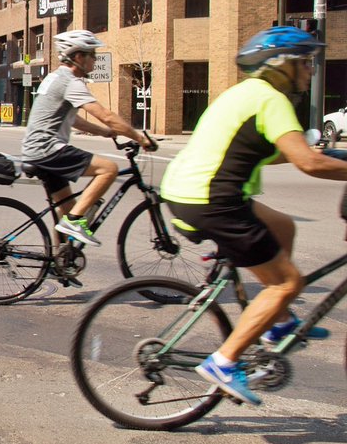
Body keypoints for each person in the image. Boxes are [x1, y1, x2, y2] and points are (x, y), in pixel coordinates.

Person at [161, 26, 347, 405]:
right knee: (286, 282)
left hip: (191, 192)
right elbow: (307, 162)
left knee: (283, 226)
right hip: (214, 200)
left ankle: (277, 323)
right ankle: (224, 362)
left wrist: (335, 158)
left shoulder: (245, 93)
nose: (310, 70)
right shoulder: (271, 100)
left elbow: (277, 153)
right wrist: (318, 158)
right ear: (281, 65)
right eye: (304, 62)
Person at [21, 29, 154, 247]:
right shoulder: (70, 82)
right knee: (108, 169)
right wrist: (140, 138)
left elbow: (73, 120)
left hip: (38, 151)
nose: (95, 59)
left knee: (68, 209)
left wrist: (105, 132)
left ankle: (60, 261)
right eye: (92, 54)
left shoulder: (55, 77)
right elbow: (106, 115)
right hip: (48, 150)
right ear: (78, 57)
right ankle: (74, 222)